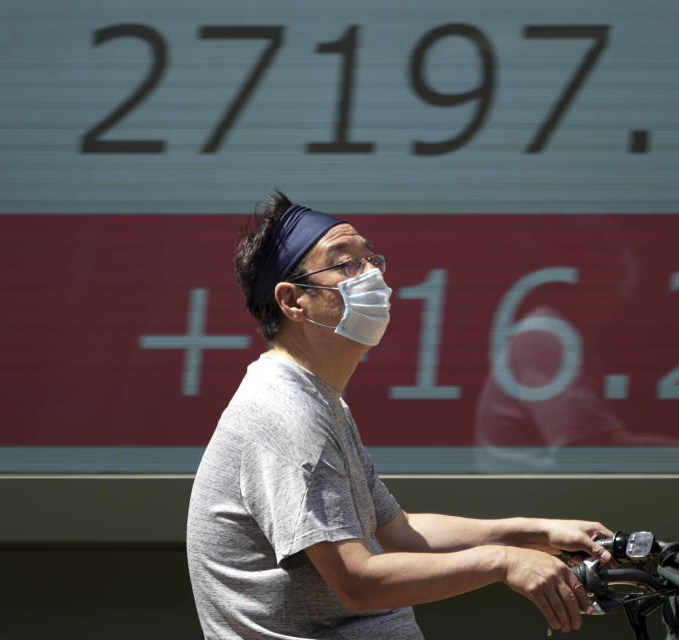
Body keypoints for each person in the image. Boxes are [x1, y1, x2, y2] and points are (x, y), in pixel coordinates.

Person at [186, 190, 615, 640]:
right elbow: (357, 582)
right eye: (346, 263)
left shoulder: (318, 399)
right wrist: (502, 561)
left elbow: (401, 533)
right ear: (293, 301)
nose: (370, 274)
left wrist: (539, 533)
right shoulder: (286, 414)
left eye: (371, 259)